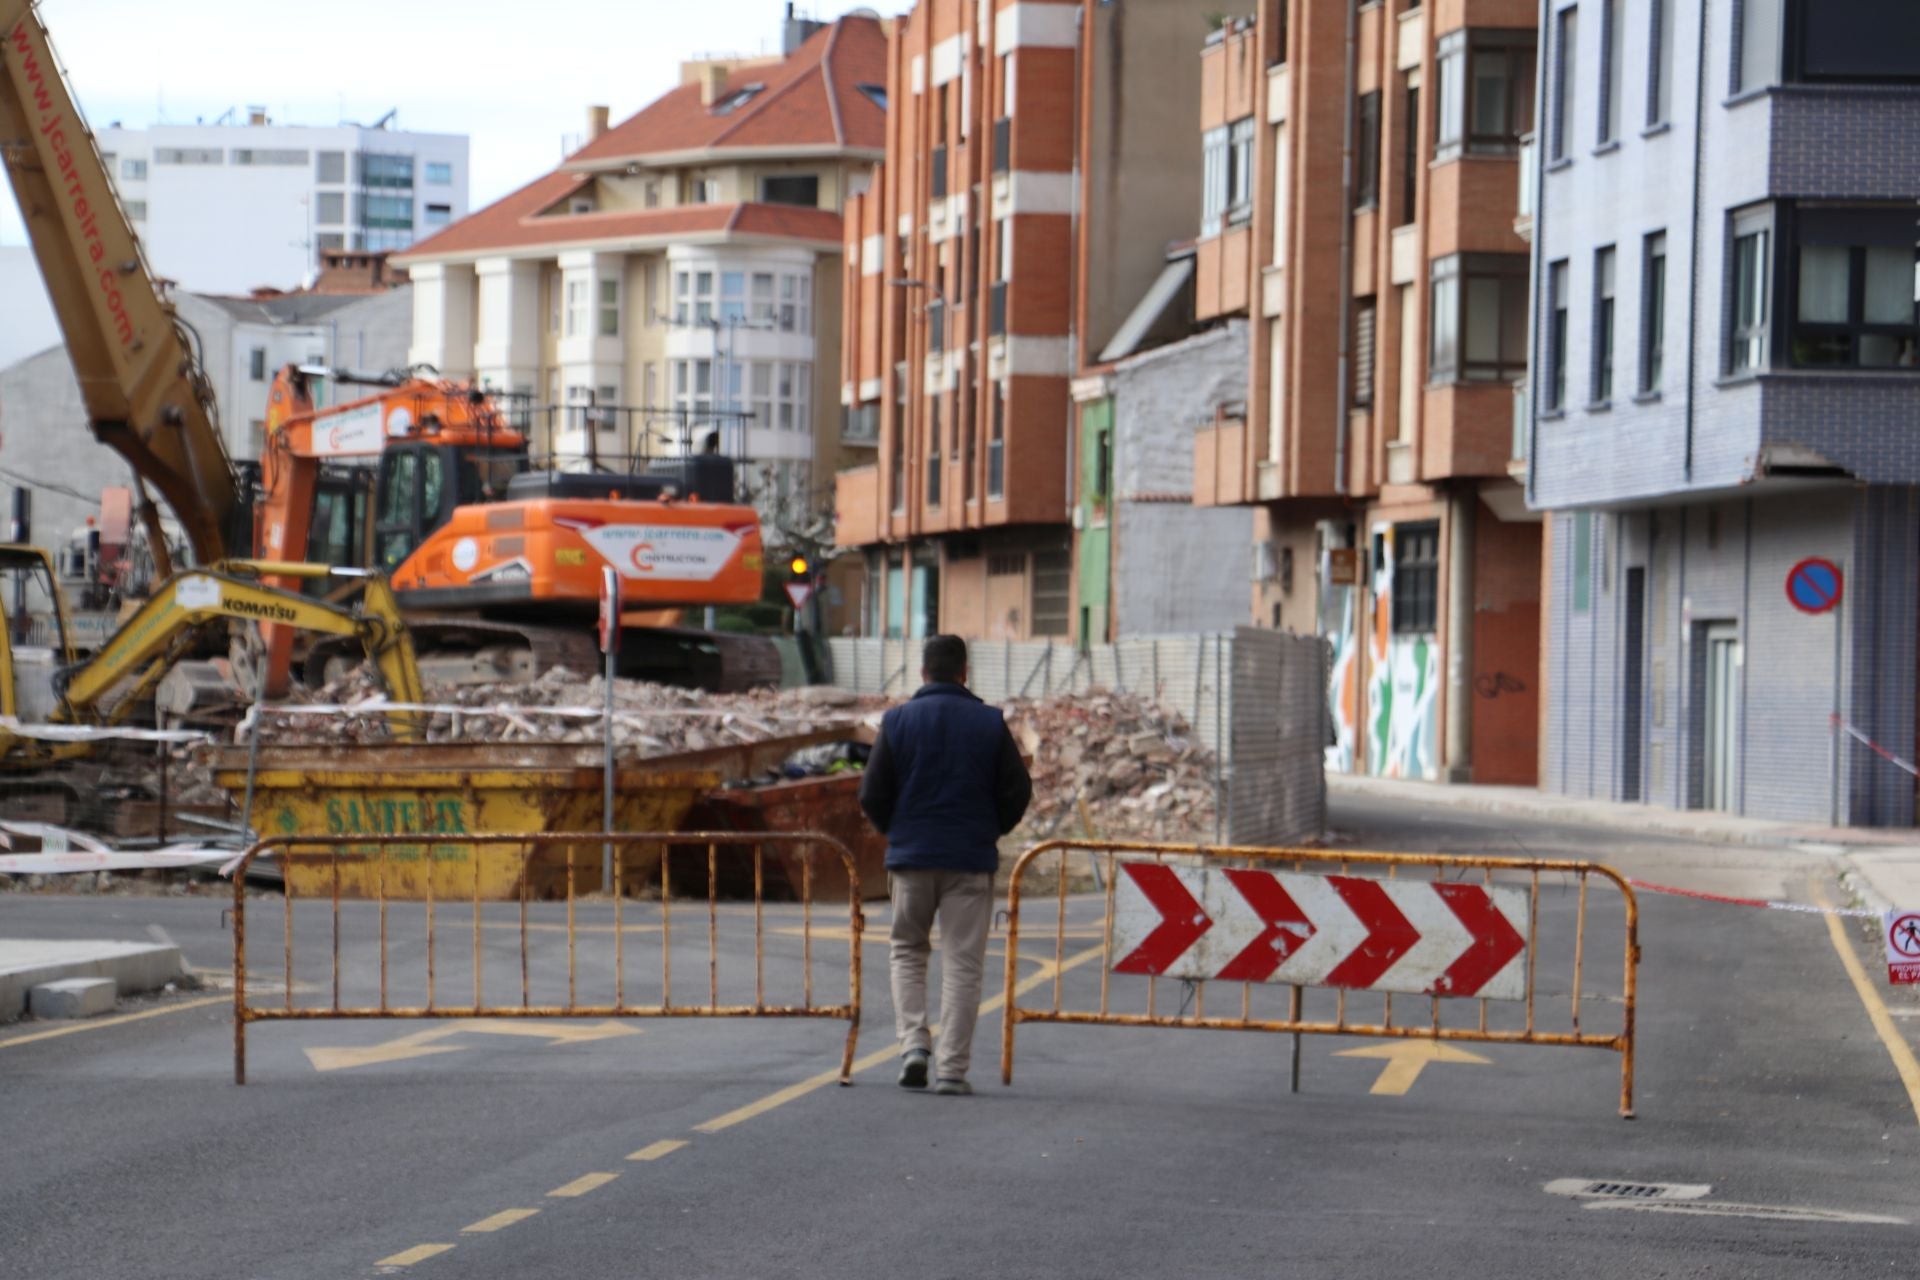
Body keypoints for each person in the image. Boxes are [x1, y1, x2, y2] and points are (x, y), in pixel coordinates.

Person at [858, 634, 1031, 1095]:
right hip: (970, 860)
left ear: (923, 673)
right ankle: (953, 1070)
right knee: (963, 962)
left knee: (908, 951)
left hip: (911, 859)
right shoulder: (989, 724)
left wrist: (897, 831)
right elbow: (1018, 792)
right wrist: (990, 830)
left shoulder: (895, 723)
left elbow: (871, 794)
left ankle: (914, 1046)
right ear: (964, 672)